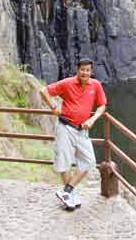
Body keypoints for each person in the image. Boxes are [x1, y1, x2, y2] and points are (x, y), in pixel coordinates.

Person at [40, 58, 107, 211]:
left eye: (88, 70)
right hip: (65, 127)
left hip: (82, 129)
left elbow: (102, 106)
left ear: (91, 71)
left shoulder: (95, 85)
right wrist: (53, 107)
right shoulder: (67, 83)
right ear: (78, 70)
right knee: (64, 162)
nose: (85, 73)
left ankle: (66, 191)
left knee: (89, 161)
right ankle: (69, 195)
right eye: (82, 70)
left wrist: (92, 119)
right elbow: (43, 91)